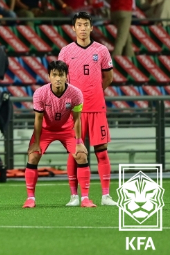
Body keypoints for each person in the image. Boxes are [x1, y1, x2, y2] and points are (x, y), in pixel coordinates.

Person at [56, 12, 117, 207]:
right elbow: (61, 80)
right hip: (75, 111)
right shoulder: (65, 52)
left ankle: (106, 195)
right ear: (73, 28)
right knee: (75, 152)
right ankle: (75, 196)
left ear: (91, 27)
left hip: (97, 108)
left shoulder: (102, 50)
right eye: (79, 25)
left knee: (102, 151)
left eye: (86, 24)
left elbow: (108, 77)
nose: (82, 28)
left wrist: (96, 91)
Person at [23, 60, 96, 209]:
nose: (58, 78)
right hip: (45, 130)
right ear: (49, 76)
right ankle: (30, 198)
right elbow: (38, 119)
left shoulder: (75, 93)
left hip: (67, 129)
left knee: (81, 155)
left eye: (61, 75)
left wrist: (79, 141)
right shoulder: (40, 93)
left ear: (66, 76)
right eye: (54, 75)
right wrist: (36, 142)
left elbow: (77, 119)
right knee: (33, 155)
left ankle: (86, 199)